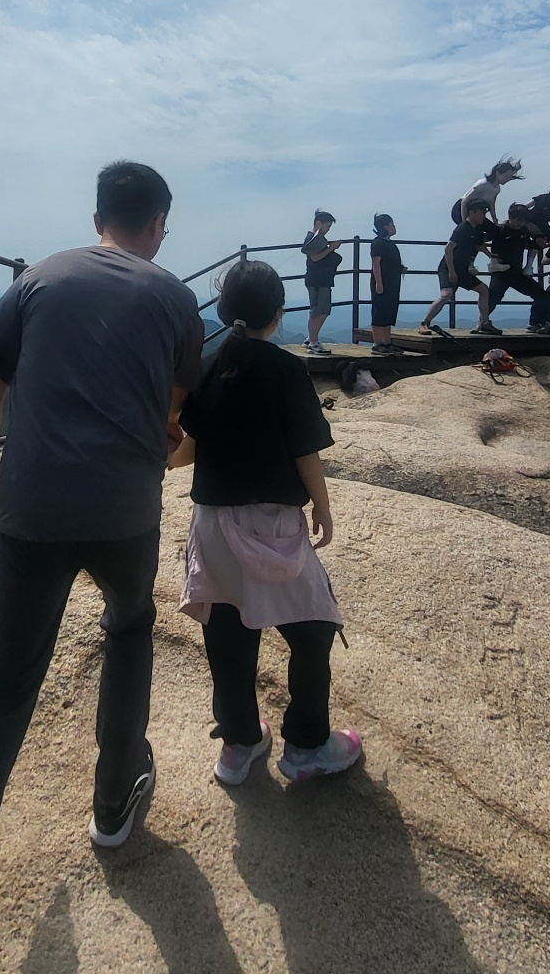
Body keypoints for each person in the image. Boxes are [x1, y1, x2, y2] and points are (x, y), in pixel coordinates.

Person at [0, 162, 205, 974]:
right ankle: (114, 807)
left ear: (98, 215)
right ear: (156, 226)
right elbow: (179, 415)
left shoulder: (34, 282)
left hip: (31, 516)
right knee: (129, 630)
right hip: (123, 515)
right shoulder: (176, 299)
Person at [170, 259, 363, 786]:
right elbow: (306, 451)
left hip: (213, 525)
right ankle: (307, 745)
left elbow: (187, 450)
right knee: (313, 627)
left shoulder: (205, 365)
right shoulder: (285, 369)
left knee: (228, 632)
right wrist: (322, 506)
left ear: (226, 309)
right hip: (272, 524)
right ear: (277, 315)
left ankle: (238, 743)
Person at [421, 201, 496, 334]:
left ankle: (485, 323)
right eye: (481, 213)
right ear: (471, 212)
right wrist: (451, 271)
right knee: (446, 294)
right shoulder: (462, 228)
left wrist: (491, 256)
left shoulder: (478, 230)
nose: (483, 216)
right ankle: (424, 323)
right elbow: (448, 249)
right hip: (449, 267)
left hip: (463, 270)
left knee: (484, 290)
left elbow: (479, 246)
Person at [486, 203, 550, 334]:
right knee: (493, 298)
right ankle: (482, 323)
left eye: (523, 220)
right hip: (500, 272)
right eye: (518, 220)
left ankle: (537, 323)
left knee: (541, 294)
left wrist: (539, 243)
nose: (520, 223)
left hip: (516, 272)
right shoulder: (500, 229)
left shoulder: (524, 231)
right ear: (511, 217)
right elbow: (483, 241)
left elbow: (529, 245)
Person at [301, 211, 341, 354]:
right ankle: (313, 342)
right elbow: (315, 258)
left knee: (324, 310)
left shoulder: (318, 239)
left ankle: (311, 338)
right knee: (317, 311)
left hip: (323, 280)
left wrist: (330, 246)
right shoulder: (311, 239)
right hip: (317, 280)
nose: (328, 229)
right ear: (318, 224)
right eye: (327, 226)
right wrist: (331, 249)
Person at [369, 214, 405, 355]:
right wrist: (379, 283)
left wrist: (400, 268)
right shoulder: (377, 243)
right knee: (379, 312)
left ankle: (387, 341)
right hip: (383, 282)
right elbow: (375, 263)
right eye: (391, 224)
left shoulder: (389, 244)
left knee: (389, 312)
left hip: (392, 282)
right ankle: (378, 343)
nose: (394, 227)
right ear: (385, 227)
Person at [451, 157, 523, 225]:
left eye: (509, 177)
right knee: (473, 230)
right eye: (506, 176)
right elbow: (464, 202)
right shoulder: (482, 184)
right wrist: (464, 223)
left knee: (493, 230)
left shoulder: (497, 189)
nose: (507, 179)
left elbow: (491, 205)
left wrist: (495, 220)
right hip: (461, 210)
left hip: (477, 212)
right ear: (497, 173)